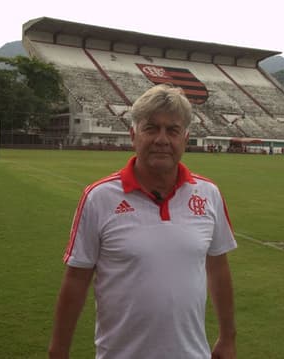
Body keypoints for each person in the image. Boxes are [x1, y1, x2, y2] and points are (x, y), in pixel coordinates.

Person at [49, 84, 238, 359]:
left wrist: (228, 336)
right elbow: (76, 279)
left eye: (172, 130)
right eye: (151, 128)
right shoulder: (99, 197)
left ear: (185, 139)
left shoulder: (208, 194)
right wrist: (58, 352)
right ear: (133, 136)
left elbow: (218, 268)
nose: (162, 139)